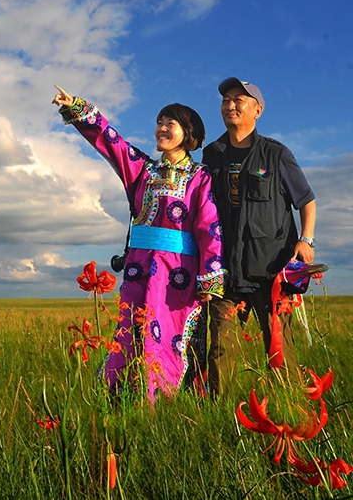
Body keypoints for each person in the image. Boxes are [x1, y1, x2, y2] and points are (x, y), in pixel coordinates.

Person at [52, 85, 226, 401]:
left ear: (188, 135)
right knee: (129, 330)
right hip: (138, 266)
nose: (161, 128)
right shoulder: (143, 169)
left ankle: (161, 400)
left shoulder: (200, 177)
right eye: (160, 121)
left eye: (169, 123)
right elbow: (110, 142)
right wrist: (78, 109)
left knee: (166, 334)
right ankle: (117, 398)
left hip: (178, 272)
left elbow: (209, 228)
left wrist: (210, 276)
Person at [202, 77, 316, 396]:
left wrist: (306, 241)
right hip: (225, 273)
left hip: (270, 271)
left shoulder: (277, 154)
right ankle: (222, 417)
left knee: (280, 351)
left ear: (258, 109)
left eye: (239, 99)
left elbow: (306, 200)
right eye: (226, 99)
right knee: (220, 352)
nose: (230, 105)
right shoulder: (212, 155)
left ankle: (289, 409)